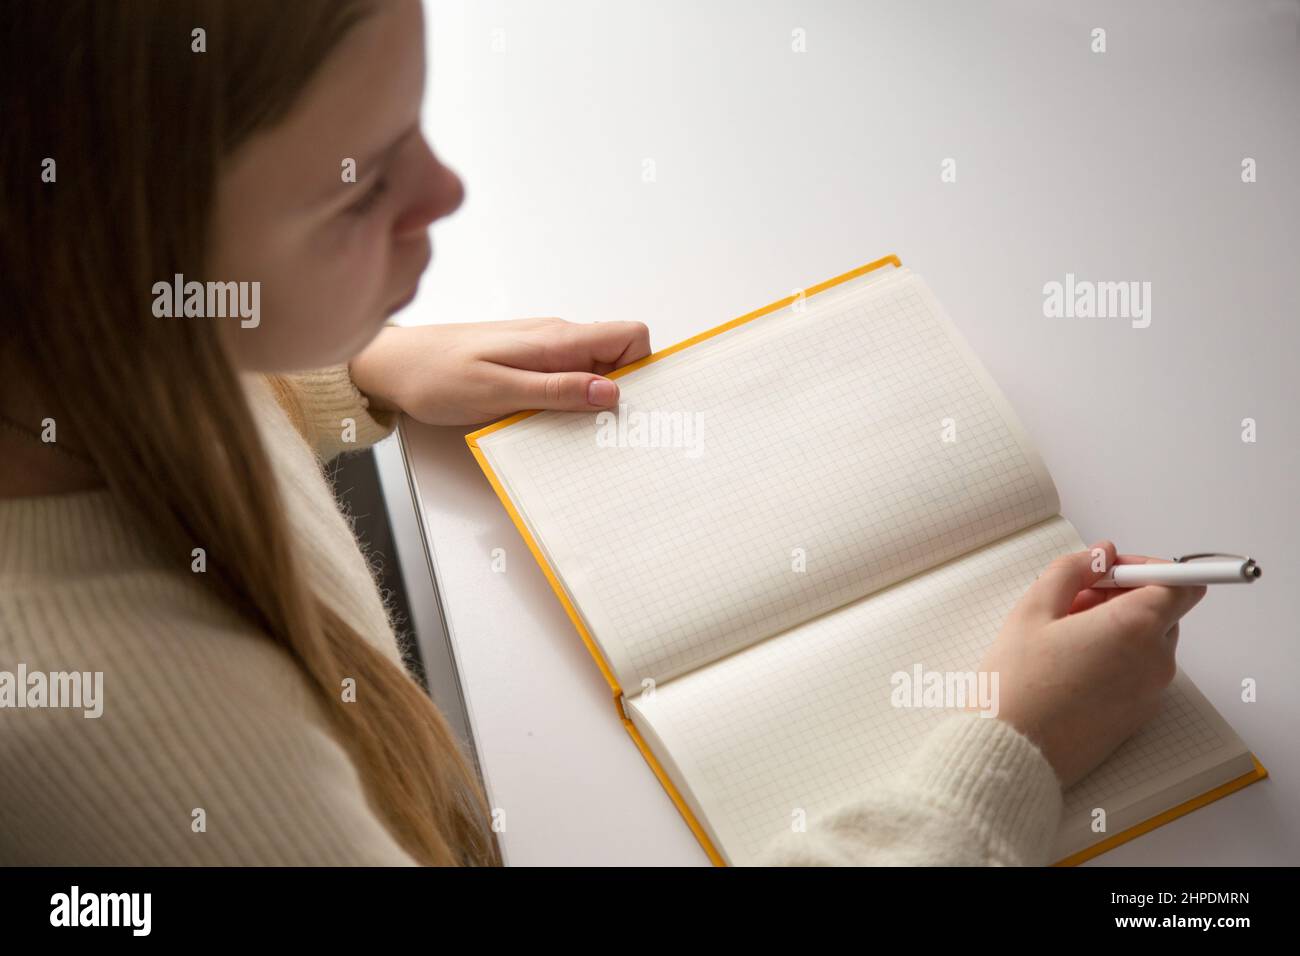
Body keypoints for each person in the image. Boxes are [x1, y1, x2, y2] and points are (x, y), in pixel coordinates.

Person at [0, 0, 1204, 866]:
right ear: (120, 267)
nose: (449, 194)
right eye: (359, 190)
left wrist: (345, 367)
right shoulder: (156, 765)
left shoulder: (79, 340)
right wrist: (1007, 756)